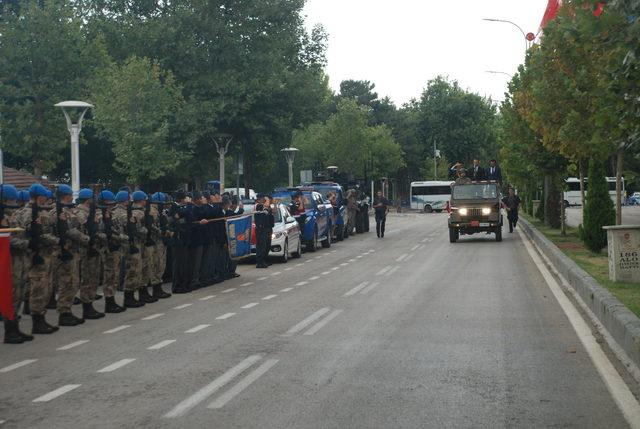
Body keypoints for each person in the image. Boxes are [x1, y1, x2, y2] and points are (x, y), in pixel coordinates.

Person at [14, 184, 60, 334]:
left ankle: (40, 319)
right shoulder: (29, 213)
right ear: (40, 197)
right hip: (37, 255)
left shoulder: (34, 212)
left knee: (43, 287)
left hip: (42, 254)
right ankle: (37, 321)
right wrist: (55, 240)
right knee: (39, 287)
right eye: (44, 197)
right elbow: (37, 235)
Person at [2, 184, 34, 343]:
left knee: (20, 293)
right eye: (11, 199)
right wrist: (26, 243)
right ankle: (10, 331)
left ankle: (15, 327)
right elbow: (7, 240)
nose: (14, 202)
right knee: (12, 294)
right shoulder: (3, 217)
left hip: (20, 261)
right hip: (10, 261)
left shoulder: (13, 215)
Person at [73, 188, 106, 321]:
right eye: (93, 199)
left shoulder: (92, 212)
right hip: (85, 250)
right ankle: (87, 307)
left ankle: (90, 305)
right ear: (88, 200)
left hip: (94, 248)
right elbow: (86, 230)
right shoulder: (80, 213)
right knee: (87, 278)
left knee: (94, 277)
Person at [98, 190, 128, 313]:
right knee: (110, 275)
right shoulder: (101, 216)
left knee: (113, 275)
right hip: (107, 248)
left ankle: (111, 300)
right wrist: (122, 238)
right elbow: (104, 233)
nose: (112, 206)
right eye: (110, 204)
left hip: (114, 247)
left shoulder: (110, 214)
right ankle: (109, 302)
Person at [254, 194, 274, 268]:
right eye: (263, 199)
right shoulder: (258, 205)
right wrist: (268, 201)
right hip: (261, 229)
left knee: (267, 245)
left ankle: (264, 260)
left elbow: (271, 212)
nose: (265, 200)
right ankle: (260, 262)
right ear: (259, 199)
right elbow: (264, 210)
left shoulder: (265, 206)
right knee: (261, 246)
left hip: (266, 228)